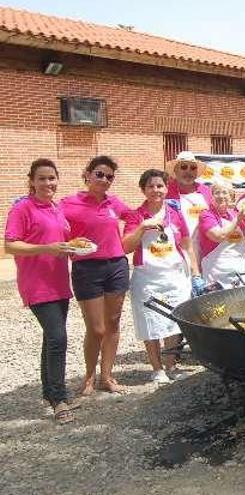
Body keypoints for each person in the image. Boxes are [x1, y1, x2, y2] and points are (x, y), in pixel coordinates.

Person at [4, 159, 79, 423]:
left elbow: (60, 241)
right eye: (42, 178)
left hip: (59, 282)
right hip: (37, 284)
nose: (48, 183)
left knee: (51, 339)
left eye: (52, 178)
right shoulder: (22, 208)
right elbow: (11, 245)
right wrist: (47, 248)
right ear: (32, 181)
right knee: (59, 338)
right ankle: (59, 400)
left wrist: (72, 247)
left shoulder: (56, 208)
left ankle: (49, 392)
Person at [60, 155, 132, 395]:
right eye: (99, 174)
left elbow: (134, 217)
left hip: (117, 266)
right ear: (88, 174)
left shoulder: (114, 203)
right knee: (96, 327)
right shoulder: (68, 203)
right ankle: (88, 377)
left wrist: (131, 236)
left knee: (113, 323)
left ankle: (107, 377)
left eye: (109, 176)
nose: (104, 180)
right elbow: (54, 227)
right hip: (87, 268)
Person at [122, 169, 199, 383]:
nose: (156, 190)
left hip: (175, 277)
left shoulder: (175, 214)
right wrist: (142, 227)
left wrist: (195, 272)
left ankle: (171, 365)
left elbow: (187, 245)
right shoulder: (136, 215)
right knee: (150, 322)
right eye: (151, 186)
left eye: (160, 186)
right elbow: (126, 246)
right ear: (143, 189)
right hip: (148, 279)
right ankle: (157, 369)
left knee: (173, 322)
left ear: (166, 188)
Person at [197, 180, 245, 287]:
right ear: (211, 197)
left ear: (230, 196)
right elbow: (218, 236)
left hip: (240, 270)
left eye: (225, 192)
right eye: (217, 192)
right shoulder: (206, 215)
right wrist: (238, 219)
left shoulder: (234, 215)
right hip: (217, 272)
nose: (221, 196)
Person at [165, 151, 213, 257]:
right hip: (176, 255)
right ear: (175, 170)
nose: (188, 171)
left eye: (193, 168)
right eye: (183, 167)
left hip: (206, 254)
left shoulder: (206, 191)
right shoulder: (165, 192)